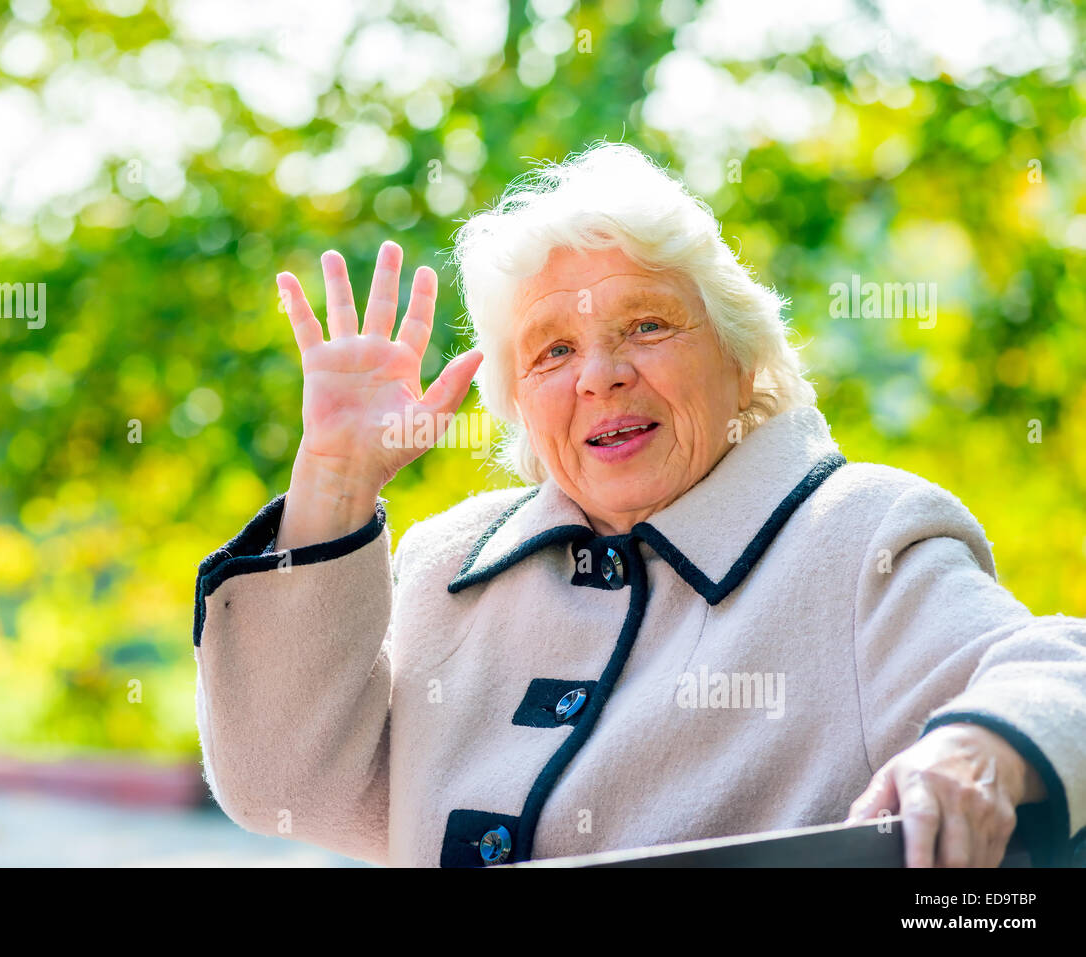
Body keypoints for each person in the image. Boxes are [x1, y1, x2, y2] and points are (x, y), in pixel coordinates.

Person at [192, 142, 1086, 867]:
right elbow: (287, 783)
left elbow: (1056, 671)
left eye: (647, 326)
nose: (601, 375)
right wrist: (335, 484)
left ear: (742, 361)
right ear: (518, 406)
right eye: (551, 352)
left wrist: (976, 749)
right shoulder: (449, 567)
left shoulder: (856, 535)